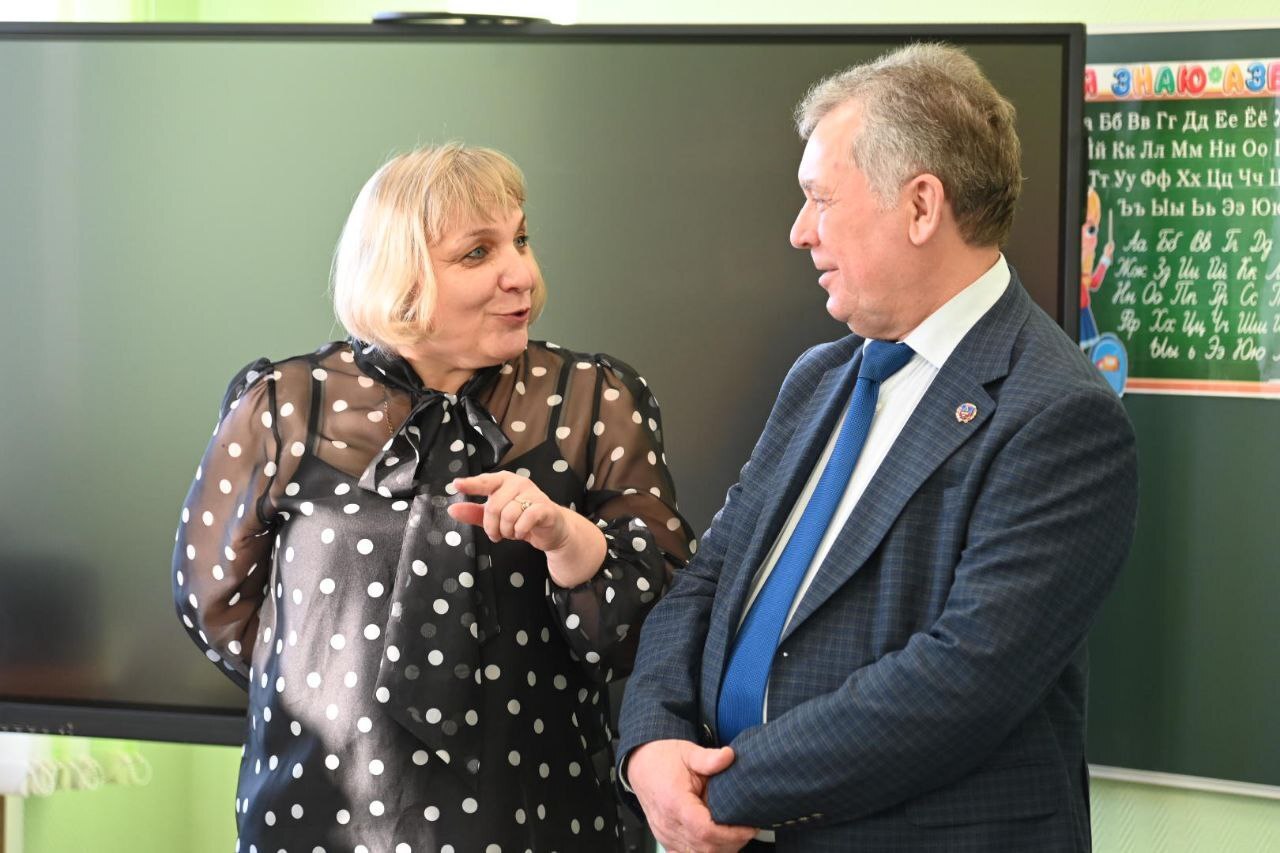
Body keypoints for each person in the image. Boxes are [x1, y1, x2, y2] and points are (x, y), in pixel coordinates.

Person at [618, 43, 1139, 852]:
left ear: (921, 206)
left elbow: (961, 683)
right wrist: (650, 741)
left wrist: (718, 789)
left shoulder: (1060, 414)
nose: (799, 232)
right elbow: (707, 579)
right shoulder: (818, 378)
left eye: (820, 199)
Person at [172, 143, 694, 852]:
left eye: (521, 240)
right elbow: (216, 606)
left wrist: (572, 544)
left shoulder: (595, 399)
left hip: (542, 819)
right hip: (317, 818)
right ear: (399, 274)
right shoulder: (283, 406)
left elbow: (663, 626)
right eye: (478, 252)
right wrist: (333, 682)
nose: (521, 274)